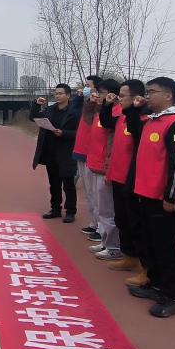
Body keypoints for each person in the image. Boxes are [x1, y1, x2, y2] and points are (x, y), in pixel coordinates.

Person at [125, 77, 175, 318]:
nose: (148, 96)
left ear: (168, 95)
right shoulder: (152, 120)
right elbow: (134, 130)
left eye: (152, 92)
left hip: (163, 198)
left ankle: (171, 296)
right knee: (149, 243)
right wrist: (134, 109)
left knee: (165, 247)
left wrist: (171, 196)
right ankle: (154, 283)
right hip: (145, 194)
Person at [100, 79, 149, 284]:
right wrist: (107, 105)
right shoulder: (122, 116)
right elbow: (106, 122)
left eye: (122, 96)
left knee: (136, 222)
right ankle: (128, 256)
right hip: (117, 176)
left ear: (136, 97)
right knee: (121, 219)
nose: (119, 99)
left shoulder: (143, 119)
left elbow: (137, 136)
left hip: (133, 179)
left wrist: (134, 110)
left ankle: (144, 265)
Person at [85, 79, 123, 260]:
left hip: (105, 167)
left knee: (108, 209)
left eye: (101, 92)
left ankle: (114, 246)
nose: (97, 95)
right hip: (94, 164)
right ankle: (105, 239)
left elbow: (114, 142)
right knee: (100, 207)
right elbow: (86, 120)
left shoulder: (117, 112)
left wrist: (108, 166)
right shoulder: (101, 111)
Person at [31, 84, 80, 222]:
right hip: (50, 151)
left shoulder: (75, 112)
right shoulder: (50, 109)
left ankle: (70, 211)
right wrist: (36, 105)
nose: (57, 96)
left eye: (60, 93)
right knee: (54, 183)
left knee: (68, 184)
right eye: (56, 93)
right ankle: (55, 208)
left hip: (66, 152)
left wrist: (64, 133)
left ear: (68, 95)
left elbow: (79, 133)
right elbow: (34, 117)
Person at [73, 75, 104, 240]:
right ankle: (94, 223)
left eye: (88, 85)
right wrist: (81, 99)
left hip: (91, 154)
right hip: (81, 151)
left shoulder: (101, 109)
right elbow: (73, 112)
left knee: (96, 194)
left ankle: (101, 227)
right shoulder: (87, 107)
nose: (84, 88)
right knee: (88, 193)